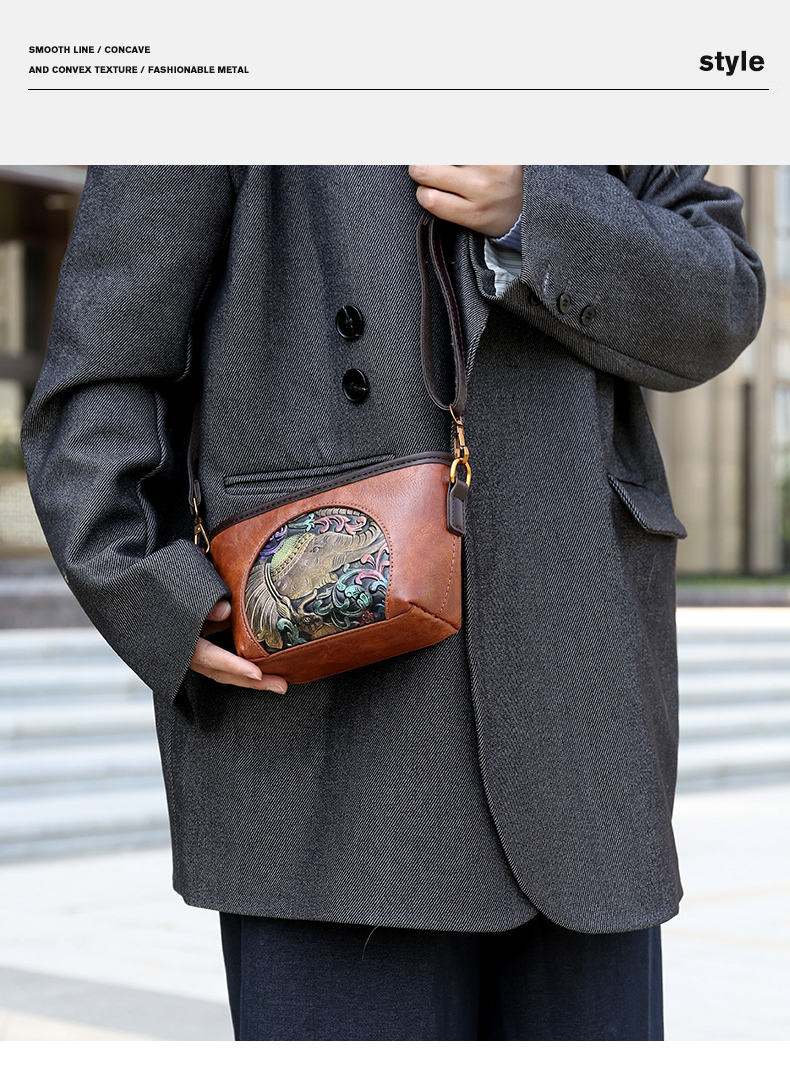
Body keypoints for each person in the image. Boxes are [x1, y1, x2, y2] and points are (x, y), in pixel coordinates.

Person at [22, 165, 765, 1041]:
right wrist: (152, 589)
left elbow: (722, 296)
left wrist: (536, 210)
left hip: (580, 714)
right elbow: (105, 366)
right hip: (329, 739)